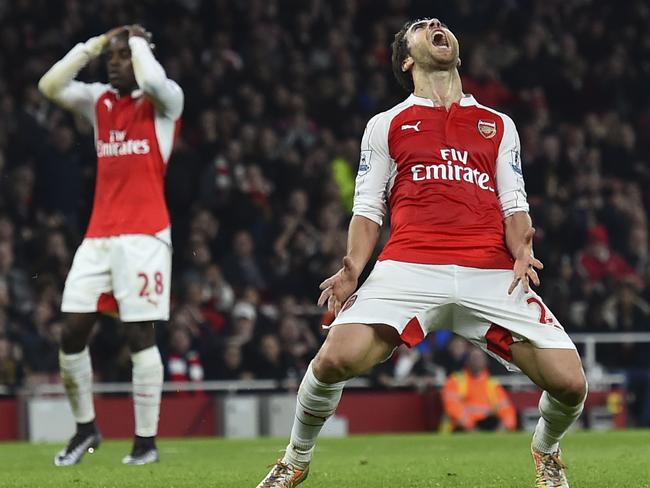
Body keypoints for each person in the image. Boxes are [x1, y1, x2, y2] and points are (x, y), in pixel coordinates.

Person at [258, 18, 586, 488]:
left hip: (489, 270)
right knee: (332, 360)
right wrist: (353, 267)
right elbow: (368, 208)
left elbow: (515, 204)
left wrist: (521, 250)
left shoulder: (497, 124)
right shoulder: (386, 125)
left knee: (572, 384)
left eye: (439, 23)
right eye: (420, 26)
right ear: (407, 59)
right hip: (408, 267)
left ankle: (546, 450)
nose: (435, 23)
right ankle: (295, 458)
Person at [38, 24, 183, 465]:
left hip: (145, 236)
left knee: (139, 335)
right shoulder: (99, 101)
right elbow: (50, 85)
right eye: (111, 59)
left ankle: (146, 441)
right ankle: (86, 430)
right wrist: (95, 45)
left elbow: (155, 81)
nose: (114, 64)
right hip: (99, 235)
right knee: (71, 331)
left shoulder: (165, 103)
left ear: (140, 57)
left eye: (122, 57)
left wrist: (136, 41)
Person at [441, 347, 517, 432]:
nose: (477, 361)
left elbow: (507, 410)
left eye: (480, 357)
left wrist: (504, 427)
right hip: (460, 430)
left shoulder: (492, 385)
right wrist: (471, 427)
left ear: (486, 361)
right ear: (467, 361)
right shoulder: (455, 380)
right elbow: (452, 407)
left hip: (487, 428)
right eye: (474, 358)